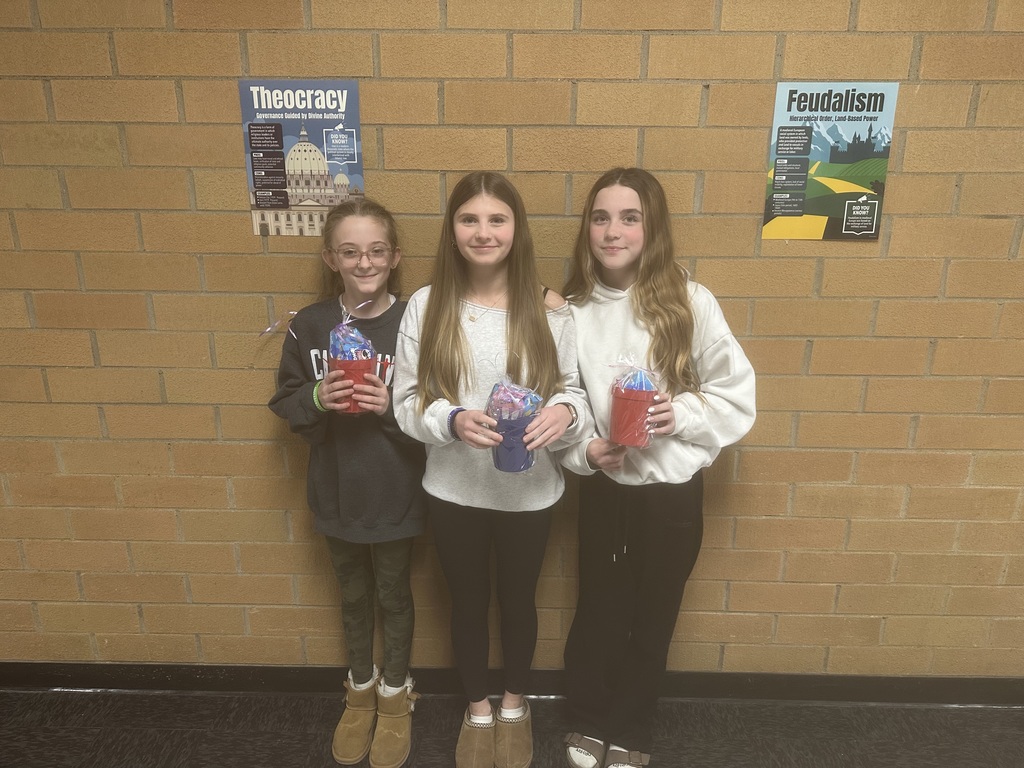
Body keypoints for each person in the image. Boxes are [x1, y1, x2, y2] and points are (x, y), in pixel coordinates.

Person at [559, 168, 756, 768]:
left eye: (629, 217)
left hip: (670, 493)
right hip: (604, 490)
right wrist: (584, 450)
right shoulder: (570, 309)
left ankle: (632, 728)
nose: (612, 230)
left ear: (653, 227)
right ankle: (587, 717)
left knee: (653, 614)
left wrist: (681, 414)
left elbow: (736, 393)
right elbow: (563, 394)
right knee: (597, 607)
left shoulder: (689, 301)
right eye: (601, 217)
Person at [393, 171, 590, 768]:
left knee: (519, 600)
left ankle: (513, 704)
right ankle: (477, 709)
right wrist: (449, 420)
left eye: (496, 219)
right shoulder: (428, 306)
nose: (484, 232)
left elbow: (576, 393)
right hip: (453, 489)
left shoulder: (551, 310)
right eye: (469, 219)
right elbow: (406, 401)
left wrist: (564, 412)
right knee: (467, 602)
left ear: (516, 228)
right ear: (452, 231)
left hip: (529, 493)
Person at [268, 198, 426, 768]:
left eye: (377, 251)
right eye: (351, 251)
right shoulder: (311, 325)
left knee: (393, 593)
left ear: (395, 257)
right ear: (331, 258)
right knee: (353, 596)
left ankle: (396, 693)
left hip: (396, 493)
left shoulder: (416, 321)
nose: (365, 262)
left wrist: (390, 406)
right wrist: (317, 396)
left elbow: (438, 411)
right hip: (335, 492)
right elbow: (285, 399)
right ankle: (360, 690)